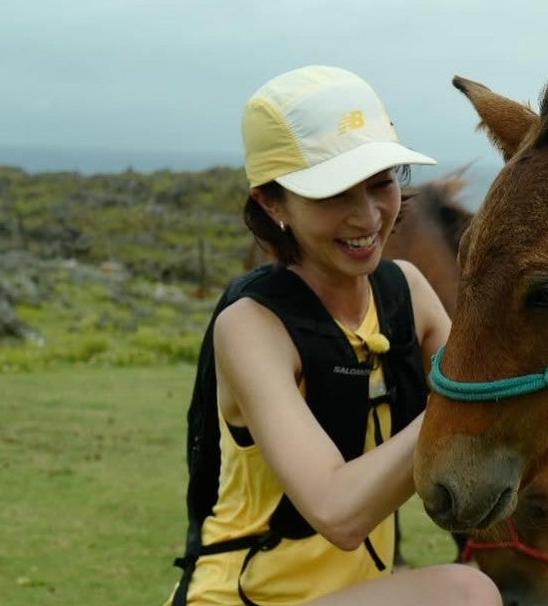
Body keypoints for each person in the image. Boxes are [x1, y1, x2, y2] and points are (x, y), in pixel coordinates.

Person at [165, 65, 501, 606]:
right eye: (333, 194)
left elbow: (498, 405)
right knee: (466, 594)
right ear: (272, 203)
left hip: (359, 593)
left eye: (381, 183)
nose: (367, 217)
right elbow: (338, 513)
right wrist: (465, 398)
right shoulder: (252, 326)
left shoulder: (407, 293)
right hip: (243, 598)